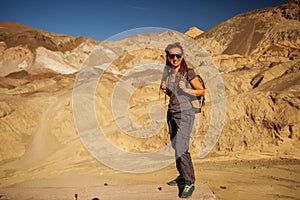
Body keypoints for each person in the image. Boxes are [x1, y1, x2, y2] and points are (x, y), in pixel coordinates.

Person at [160, 42, 205, 198]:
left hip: (185, 113)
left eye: (178, 55)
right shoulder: (168, 73)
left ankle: (189, 181)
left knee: (181, 146)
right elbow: (174, 96)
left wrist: (186, 89)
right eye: (171, 56)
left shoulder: (188, 73)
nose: (175, 58)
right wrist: (166, 90)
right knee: (175, 145)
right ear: (167, 57)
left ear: (182, 57)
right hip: (172, 112)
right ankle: (181, 174)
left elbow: (201, 91)